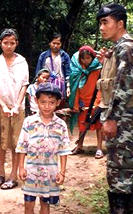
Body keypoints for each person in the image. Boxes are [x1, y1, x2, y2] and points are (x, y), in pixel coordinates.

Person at [97, 3, 133, 213]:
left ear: (120, 23)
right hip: (125, 120)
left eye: (105, 22)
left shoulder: (126, 47)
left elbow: (124, 87)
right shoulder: (121, 47)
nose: (101, 27)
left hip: (124, 123)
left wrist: (111, 118)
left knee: (120, 174)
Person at [16, 82, 71, 214]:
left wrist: (62, 172)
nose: (47, 106)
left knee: (45, 205)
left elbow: (64, 151)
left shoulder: (61, 125)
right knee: (28, 205)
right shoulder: (29, 122)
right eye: (43, 102)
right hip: (31, 172)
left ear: (58, 102)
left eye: (51, 103)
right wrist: (21, 167)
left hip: (50, 173)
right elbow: (21, 146)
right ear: (36, 101)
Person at [0, 28, 29, 189]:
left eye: (12, 43)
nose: (9, 46)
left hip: (18, 107)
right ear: (0, 43)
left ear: (16, 43)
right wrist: (3, 105)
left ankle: (13, 175)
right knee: (1, 141)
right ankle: (1, 173)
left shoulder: (22, 61)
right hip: (0, 107)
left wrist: (17, 105)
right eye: (5, 43)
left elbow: (24, 85)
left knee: (16, 142)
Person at [69, 45, 103, 158]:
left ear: (92, 57)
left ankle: (99, 148)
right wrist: (76, 102)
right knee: (82, 124)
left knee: (99, 125)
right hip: (83, 100)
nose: (85, 61)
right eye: (83, 58)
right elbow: (75, 87)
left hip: (96, 99)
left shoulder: (98, 68)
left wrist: (99, 101)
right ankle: (79, 146)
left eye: (88, 58)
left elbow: (101, 85)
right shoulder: (77, 69)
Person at [35, 33, 70, 99]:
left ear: (61, 44)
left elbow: (68, 72)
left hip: (60, 85)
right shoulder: (43, 56)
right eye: (53, 43)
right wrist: (37, 84)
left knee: (58, 104)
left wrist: (68, 87)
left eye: (58, 44)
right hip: (45, 83)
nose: (55, 46)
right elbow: (38, 72)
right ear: (49, 43)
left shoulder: (65, 56)